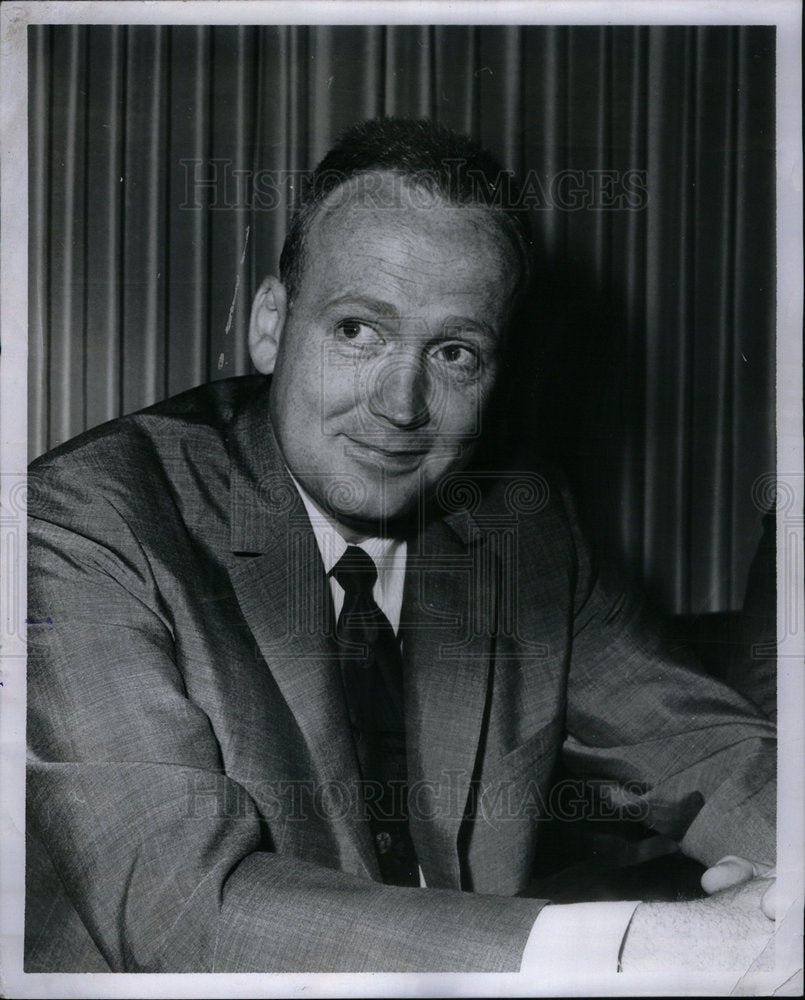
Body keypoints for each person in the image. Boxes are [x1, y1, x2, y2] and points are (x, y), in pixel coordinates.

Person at [26, 117, 776, 974]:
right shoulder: (84, 524)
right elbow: (181, 913)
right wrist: (646, 948)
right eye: (357, 331)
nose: (401, 403)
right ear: (270, 324)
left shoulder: (520, 525)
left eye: (454, 351)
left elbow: (706, 751)